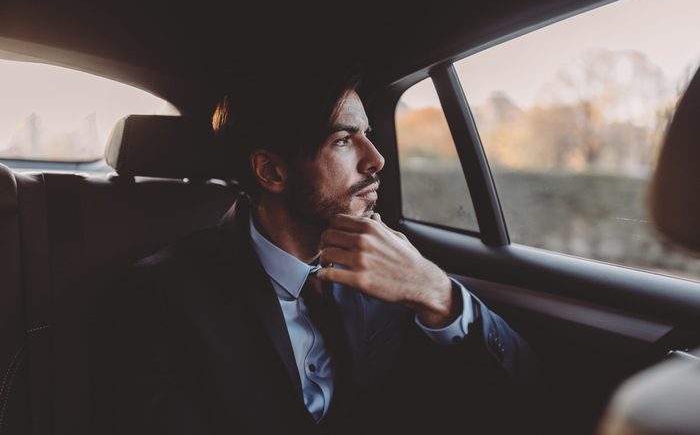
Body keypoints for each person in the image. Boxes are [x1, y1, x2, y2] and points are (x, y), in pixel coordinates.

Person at [106, 64, 545, 435]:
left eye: (368, 134)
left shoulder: (390, 264)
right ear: (272, 170)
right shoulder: (162, 293)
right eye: (343, 139)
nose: (376, 160)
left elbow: (526, 390)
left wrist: (434, 290)